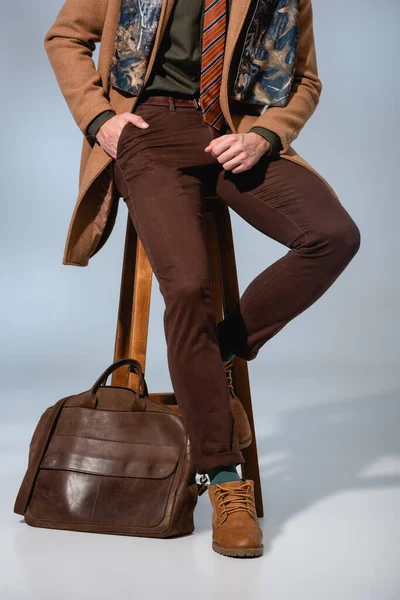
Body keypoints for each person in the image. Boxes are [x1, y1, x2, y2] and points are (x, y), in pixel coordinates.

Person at [44, 0, 361, 558]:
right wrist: (100, 121)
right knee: (187, 288)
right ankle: (224, 483)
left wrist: (266, 134)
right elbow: (66, 37)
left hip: (232, 130)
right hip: (148, 128)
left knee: (332, 236)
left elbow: (305, 79)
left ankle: (209, 356)